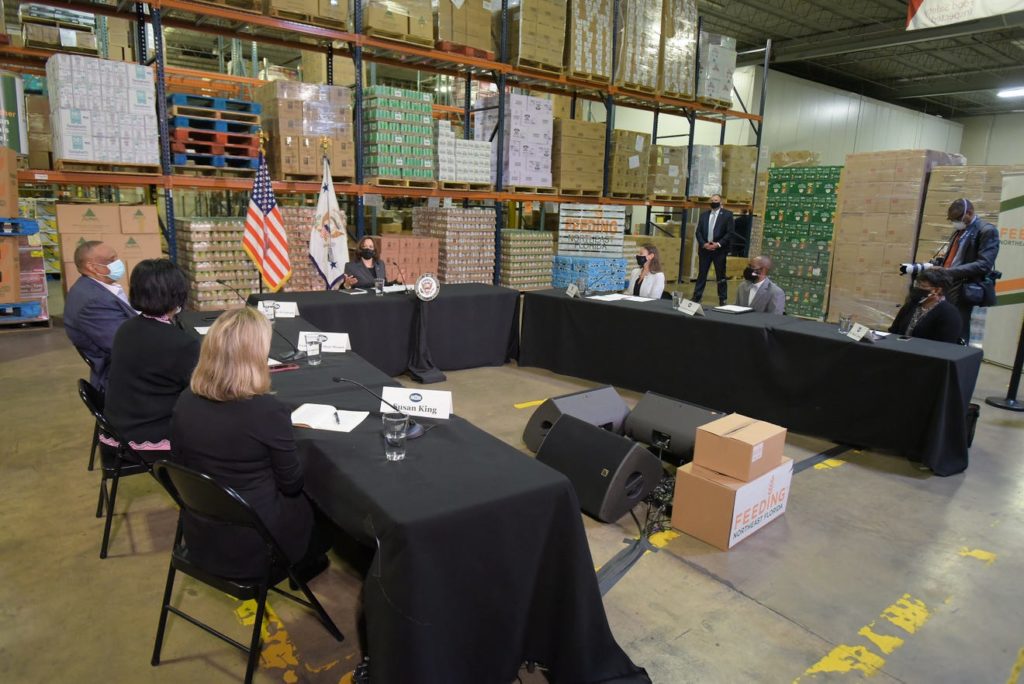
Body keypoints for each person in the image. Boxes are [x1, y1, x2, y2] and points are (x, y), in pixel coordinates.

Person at [170, 306, 327, 580]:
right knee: (322, 500)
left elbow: (180, 461)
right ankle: (306, 562)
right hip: (255, 545)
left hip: (201, 536)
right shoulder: (266, 411)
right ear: (255, 357)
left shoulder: (185, 400)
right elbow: (292, 485)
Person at [104, 259, 199, 452]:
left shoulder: (127, 327)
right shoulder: (180, 343)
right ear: (178, 293)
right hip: (148, 434)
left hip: (120, 426)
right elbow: (203, 388)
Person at [63, 240, 137, 390]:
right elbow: (127, 344)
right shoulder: (93, 302)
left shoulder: (96, 288)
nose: (118, 263)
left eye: (116, 258)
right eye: (111, 260)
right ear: (92, 267)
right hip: (124, 378)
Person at [930, 198, 1000, 341]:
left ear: (969, 213)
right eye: (952, 220)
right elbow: (957, 255)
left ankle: (957, 359)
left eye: (957, 219)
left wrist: (949, 271)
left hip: (963, 285)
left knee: (958, 326)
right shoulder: (960, 230)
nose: (955, 222)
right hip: (947, 281)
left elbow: (984, 264)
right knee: (943, 323)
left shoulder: (987, 230)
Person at [889, 268, 963, 344]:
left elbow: (945, 345)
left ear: (937, 290)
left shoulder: (949, 313)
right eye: (917, 284)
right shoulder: (911, 305)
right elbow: (893, 331)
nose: (917, 288)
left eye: (922, 286)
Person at [691, 194, 735, 306]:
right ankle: (696, 296)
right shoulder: (704, 215)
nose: (713, 202)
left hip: (719, 250)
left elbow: (730, 232)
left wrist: (718, 244)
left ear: (720, 202)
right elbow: (698, 232)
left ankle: (723, 299)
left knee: (720, 275)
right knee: (702, 274)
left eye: (716, 200)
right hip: (705, 250)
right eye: (712, 200)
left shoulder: (727, 215)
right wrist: (703, 244)